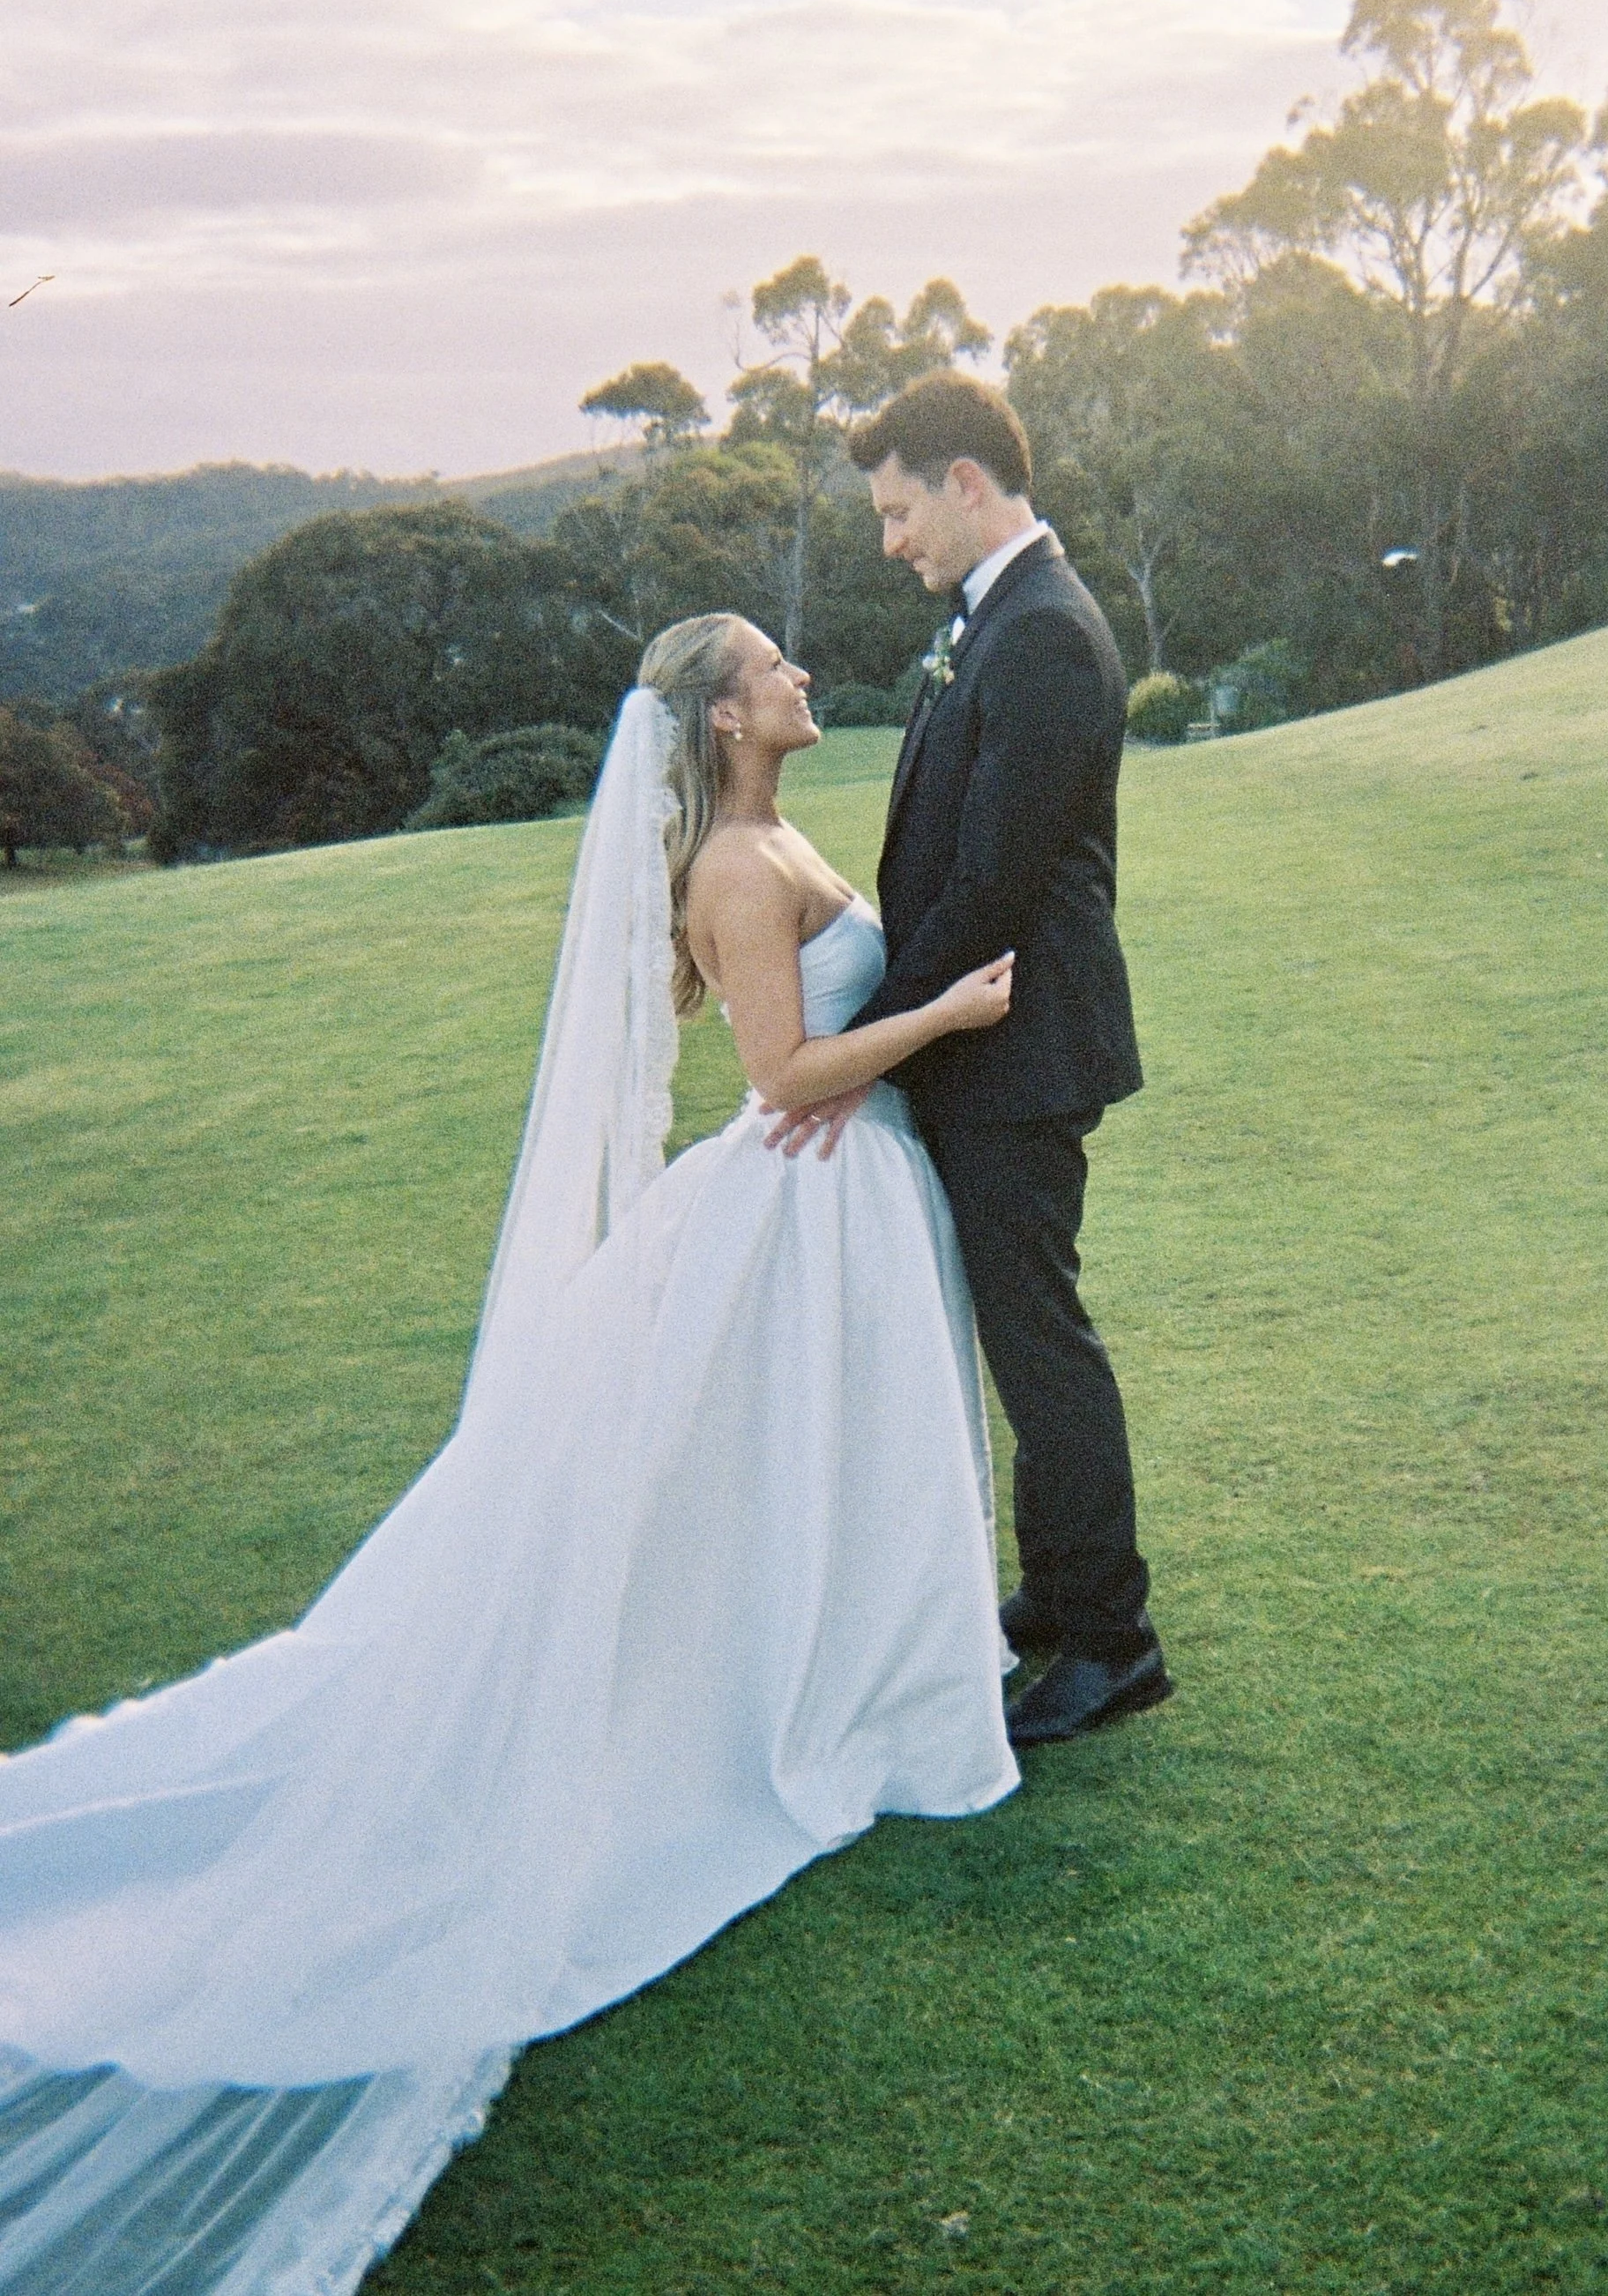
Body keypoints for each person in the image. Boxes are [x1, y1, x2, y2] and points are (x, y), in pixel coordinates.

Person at [0, 618, 1018, 2296]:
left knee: (804, 1496)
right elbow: (776, 1080)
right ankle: (815, 1702)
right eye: (775, 670)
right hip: (801, 1205)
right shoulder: (742, 871)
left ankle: (861, 1674)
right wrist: (949, 1014)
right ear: (719, 711)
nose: (802, 683)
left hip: (848, 1204)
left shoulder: (773, 836)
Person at [765, 371, 1170, 1748]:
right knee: (1018, 1330)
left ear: (965, 484)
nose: (890, 542)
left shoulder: (1043, 632)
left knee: (1038, 1339)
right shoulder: (989, 620)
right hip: (980, 1038)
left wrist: (865, 1050)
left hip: (1016, 1038)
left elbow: (994, 880)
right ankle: (1055, 1596)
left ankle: (1111, 1641)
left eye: (895, 511)